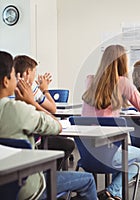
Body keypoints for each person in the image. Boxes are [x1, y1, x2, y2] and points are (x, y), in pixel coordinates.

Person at [0, 50, 97, 200]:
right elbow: (56, 125)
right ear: (6, 81)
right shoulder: (19, 110)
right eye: (13, 74)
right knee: (88, 180)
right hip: (25, 189)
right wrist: (30, 103)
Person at [81, 44, 140, 200]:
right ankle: (112, 191)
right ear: (122, 63)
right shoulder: (123, 82)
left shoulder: (89, 79)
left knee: (126, 154)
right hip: (108, 154)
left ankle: (112, 193)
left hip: (86, 155)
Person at [13, 55, 75, 170]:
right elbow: (53, 110)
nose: (35, 76)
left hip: (11, 153)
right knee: (67, 144)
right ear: (27, 72)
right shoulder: (30, 88)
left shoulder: (9, 90)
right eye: (34, 72)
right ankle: (50, 177)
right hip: (32, 145)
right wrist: (45, 89)